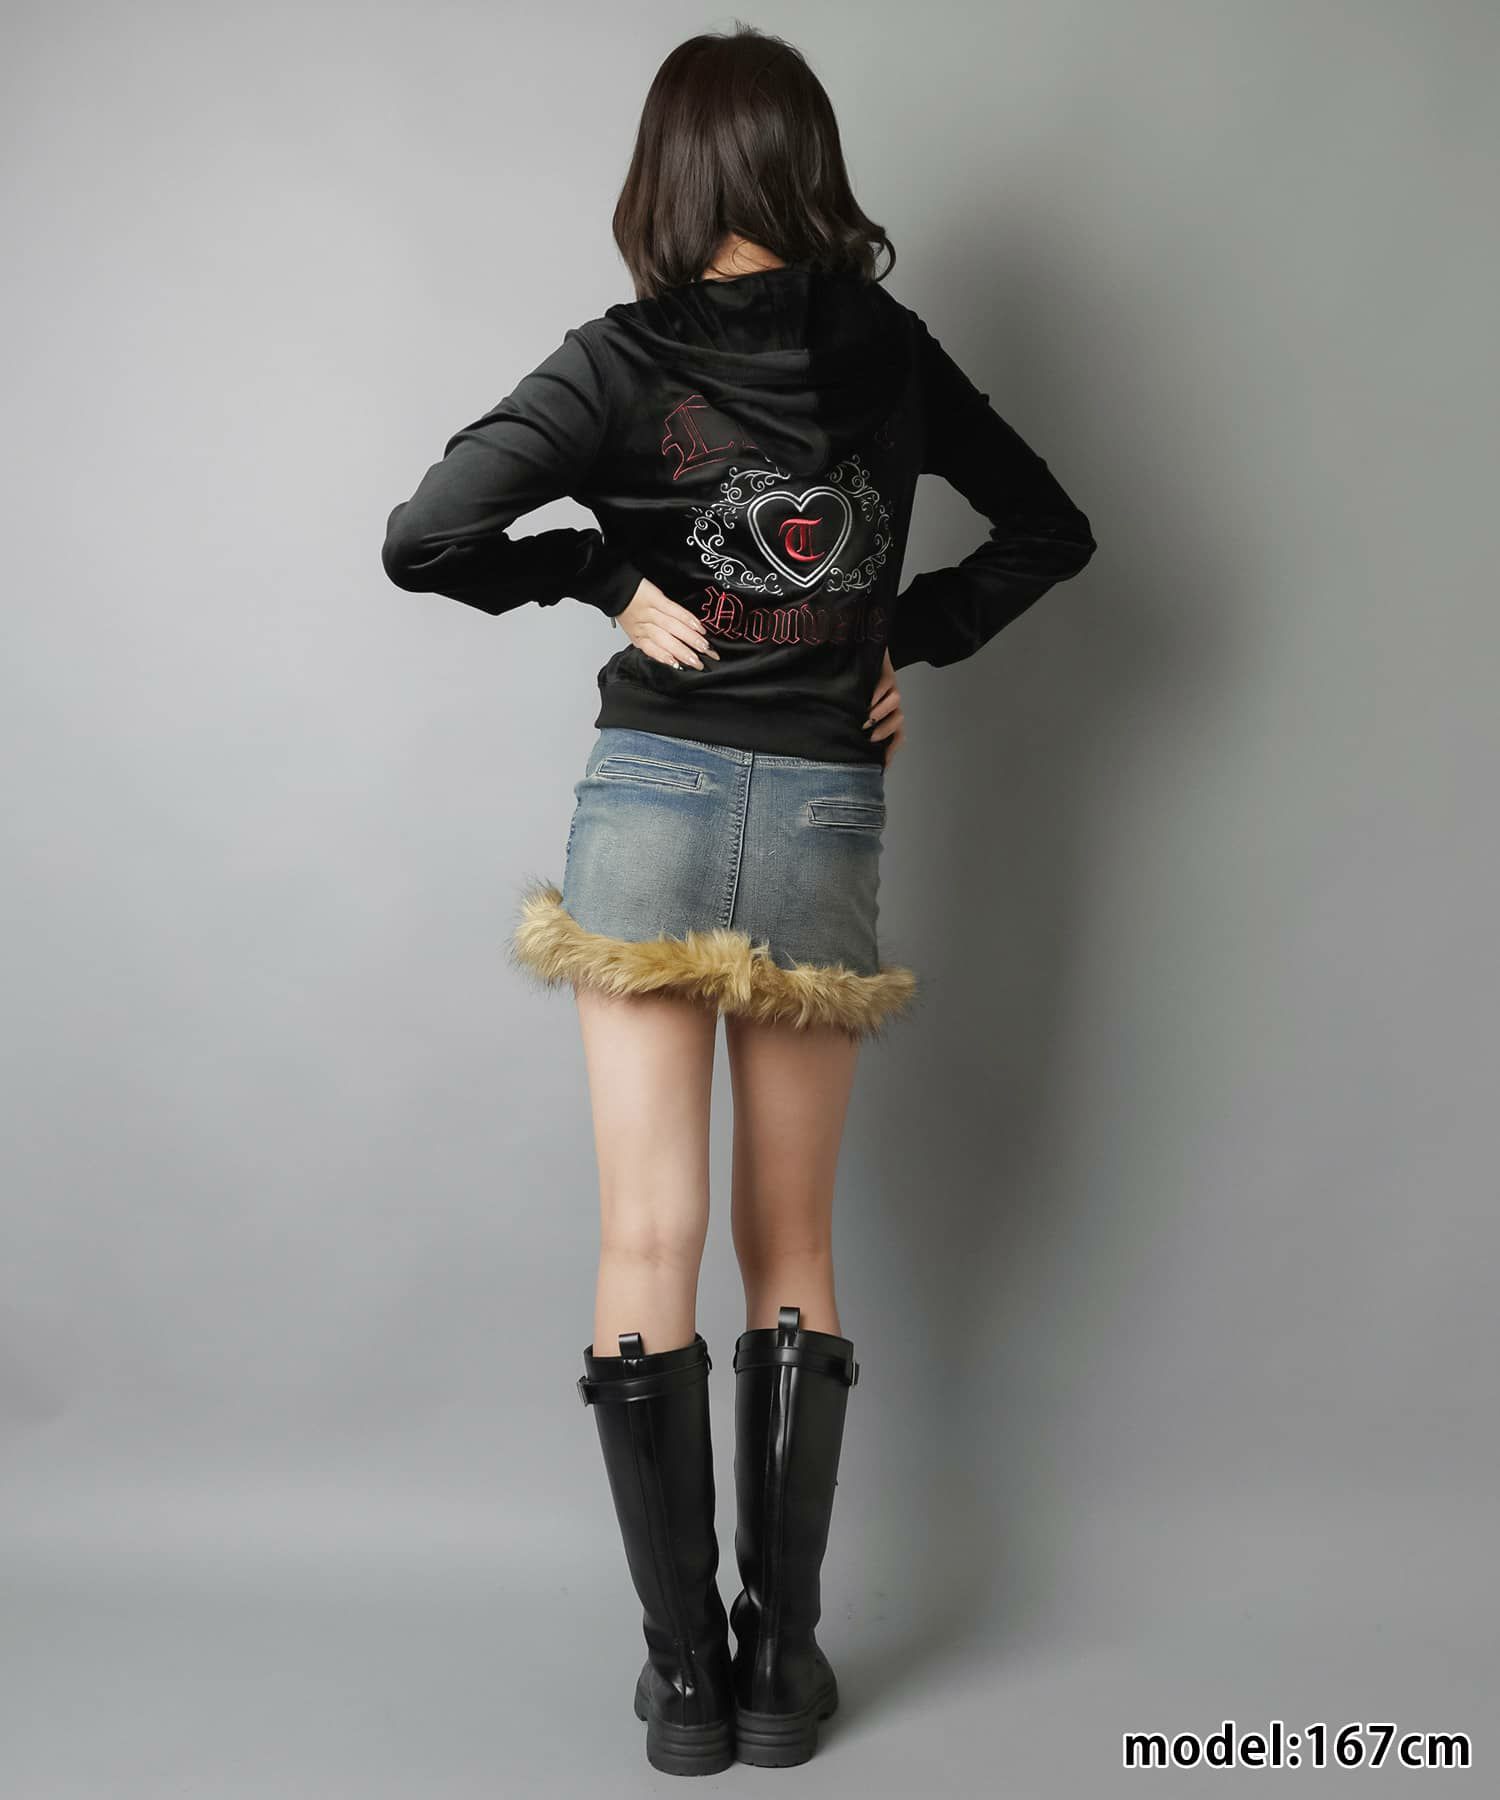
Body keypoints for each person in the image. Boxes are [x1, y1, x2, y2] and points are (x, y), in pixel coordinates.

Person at [381, 23, 1097, 1775]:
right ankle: (783, 1670)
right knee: (795, 1247)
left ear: (670, 177)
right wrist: (890, 637)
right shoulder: (889, 348)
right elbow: (1047, 526)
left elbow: (425, 534)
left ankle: (684, 1686)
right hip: (826, 809)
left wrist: (601, 575)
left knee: (648, 1238)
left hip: (651, 799)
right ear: (803, 165)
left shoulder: (618, 360)